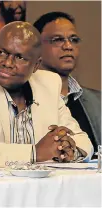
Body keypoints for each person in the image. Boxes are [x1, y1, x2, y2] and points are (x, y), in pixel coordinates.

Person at [0, 21, 93, 167]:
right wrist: (34, 153)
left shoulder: (49, 84)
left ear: (36, 65)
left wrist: (68, 149)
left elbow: (82, 140)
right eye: (2, 52)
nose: (7, 63)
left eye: (19, 57)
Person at [33, 12, 100, 155]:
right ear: (36, 47)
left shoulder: (97, 101)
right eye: (57, 40)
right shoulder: (22, 97)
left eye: (74, 39)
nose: (68, 46)